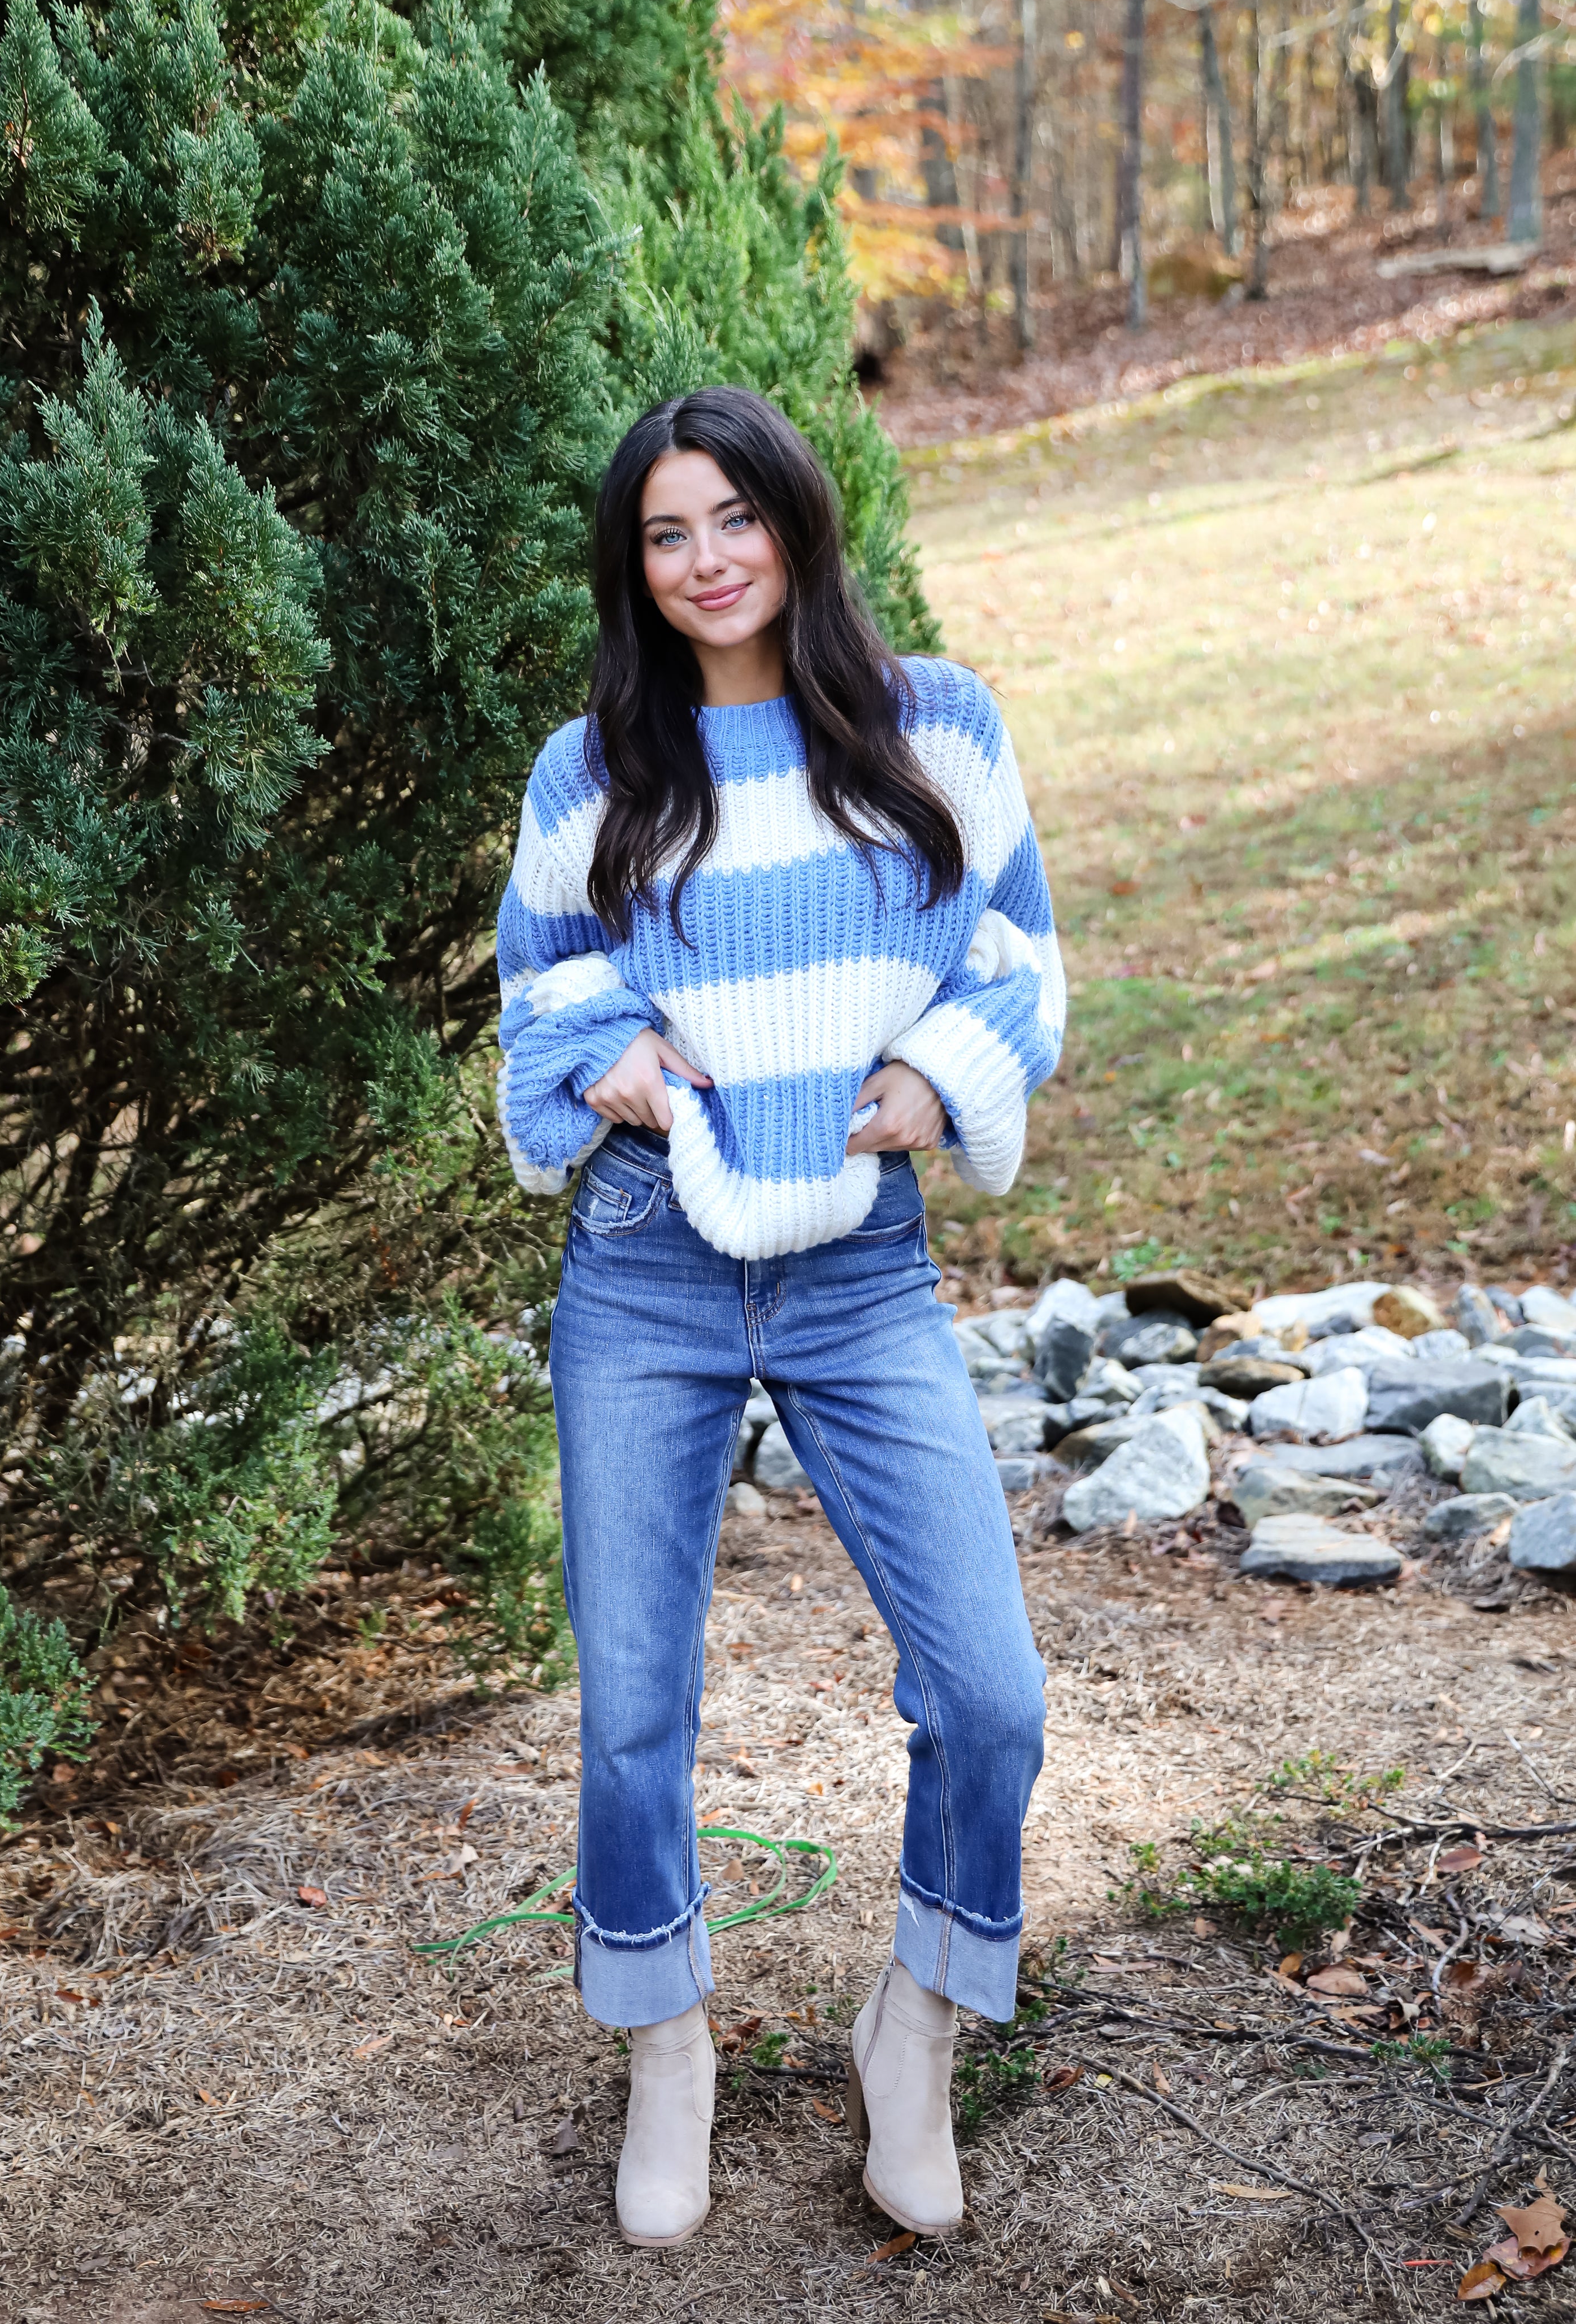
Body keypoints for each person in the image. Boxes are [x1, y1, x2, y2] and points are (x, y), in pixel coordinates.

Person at [494, 386, 1065, 2249]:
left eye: (732, 518)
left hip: (859, 1261)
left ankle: (916, 2024)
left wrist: (934, 1078)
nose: (705, 560)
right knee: (633, 1708)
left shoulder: (933, 722)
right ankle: (668, 2044)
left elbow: (1017, 960)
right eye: (664, 533)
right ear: (633, 566)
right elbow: (543, 993)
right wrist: (617, 1065)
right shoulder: (595, 767)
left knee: (986, 1691)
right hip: (651, 1259)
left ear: (798, 526)